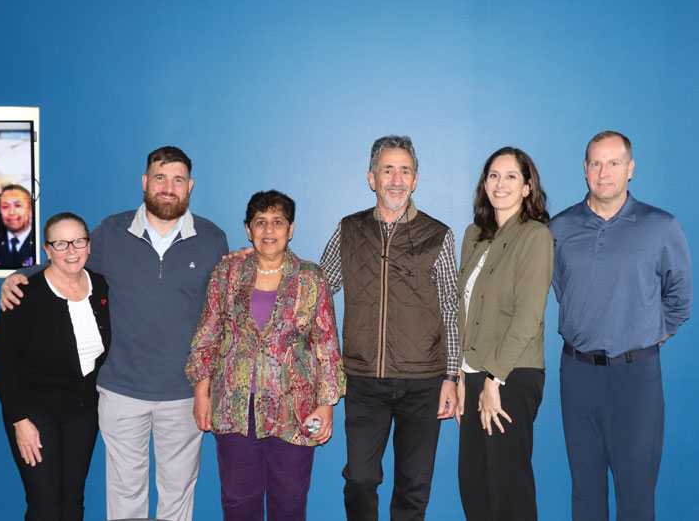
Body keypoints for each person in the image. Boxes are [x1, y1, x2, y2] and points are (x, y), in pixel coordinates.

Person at [0, 146, 229, 521]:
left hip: (184, 393)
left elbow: (221, 314)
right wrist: (20, 276)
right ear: (145, 182)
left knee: (177, 496)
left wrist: (207, 387)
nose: (168, 187)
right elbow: (67, 260)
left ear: (190, 186)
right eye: (159, 177)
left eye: (177, 180)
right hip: (121, 391)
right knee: (125, 496)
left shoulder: (212, 239)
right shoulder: (111, 231)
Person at [551, 131, 691, 520]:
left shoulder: (661, 226)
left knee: (636, 494)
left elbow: (679, 300)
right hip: (577, 374)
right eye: (596, 163)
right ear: (585, 170)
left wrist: (643, 336)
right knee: (585, 493)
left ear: (630, 169)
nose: (604, 172)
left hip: (636, 377)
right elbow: (564, 290)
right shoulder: (559, 228)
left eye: (614, 163)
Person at [320, 135, 459, 521]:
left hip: (424, 381)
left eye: (405, 171)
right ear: (371, 178)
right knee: (361, 479)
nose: (396, 179)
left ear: (415, 180)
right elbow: (316, 288)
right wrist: (268, 259)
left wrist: (451, 376)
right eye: (387, 170)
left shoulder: (438, 234)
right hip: (364, 380)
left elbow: (451, 305)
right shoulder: (349, 230)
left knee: (413, 486)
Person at [186, 190, 345, 520]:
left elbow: (327, 347)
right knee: (238, 502)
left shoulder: (311, 278)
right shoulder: (226, 275)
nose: (268, 230)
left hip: (294, 410)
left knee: (289, 503)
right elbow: (207, 336)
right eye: (260, 222)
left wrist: (326, 405)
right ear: (248, 230)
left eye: (277, 222)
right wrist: (202, 394)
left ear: (291, 229)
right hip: (234, 408)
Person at [455, 147, 553, 521]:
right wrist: (462, 375)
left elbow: (528, 316)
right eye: (493, 175)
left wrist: (495, 381)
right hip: (475, 373)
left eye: (512, 176)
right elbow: (462, 310)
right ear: (484, 183)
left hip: (511, 375)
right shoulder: (473, 235)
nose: (501, 183)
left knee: (509, 488)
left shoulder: (535, 236)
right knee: (474, 484)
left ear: (528, 187)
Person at [0, 212, 110, 520]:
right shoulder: (24, 293)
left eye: (78, 241)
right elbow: (2, 364)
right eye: (60, 243)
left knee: (73, 499)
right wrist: (20, 421)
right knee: (45, 503)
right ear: (47, 250)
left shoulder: (101, 287)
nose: (71, 250)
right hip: (34, 413)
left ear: (89, 245)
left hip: (83, 411)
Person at [0, 184, 35, 267]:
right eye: (5, 207)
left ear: (30, 210)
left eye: (18, 205)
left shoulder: (39, 244)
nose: (11, 212)